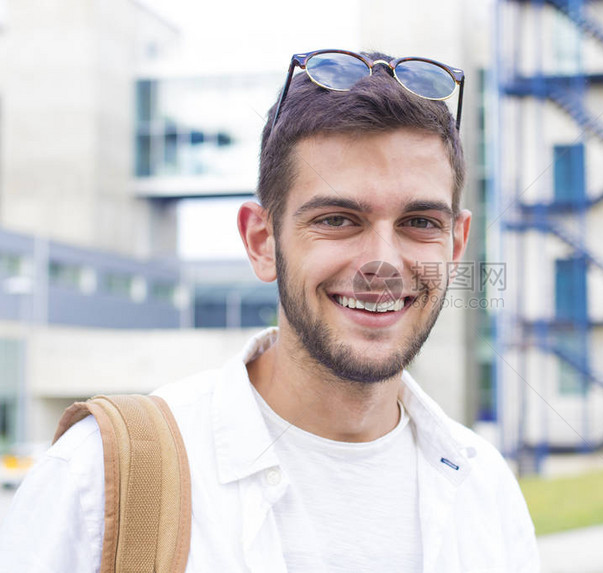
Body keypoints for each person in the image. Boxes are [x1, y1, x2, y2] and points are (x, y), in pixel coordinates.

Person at [0, 49, 539, 571]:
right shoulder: (99, 479)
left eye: (420, 222)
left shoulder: (484, 490)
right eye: (337, 219)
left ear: (457, 242)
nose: (383, 262)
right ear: (261, 241)